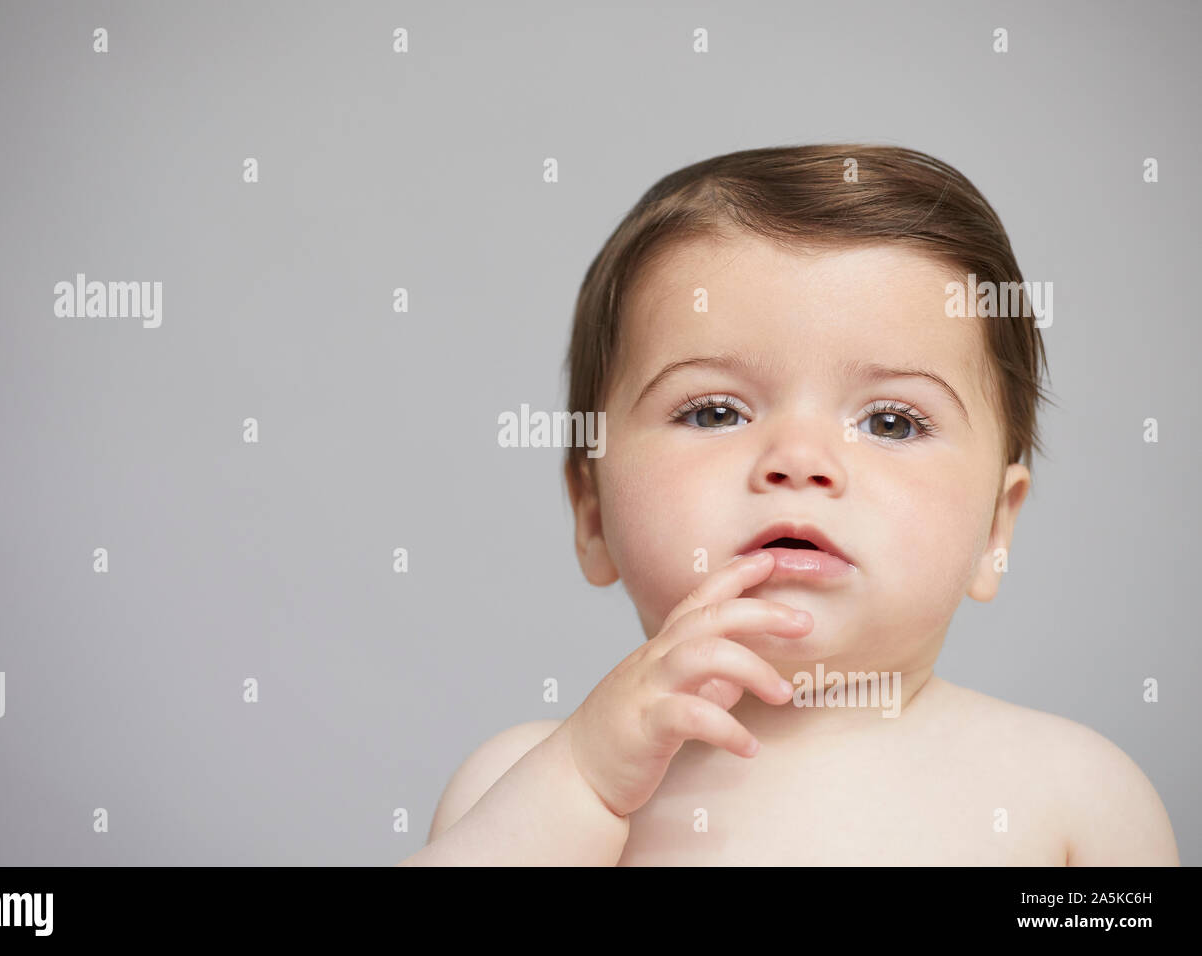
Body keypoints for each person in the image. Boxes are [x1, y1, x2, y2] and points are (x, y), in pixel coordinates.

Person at [399, 145, 1179, 866]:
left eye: (890, 422)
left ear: (995, 530)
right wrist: (582, 784)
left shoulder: (1075, 799)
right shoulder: (526, 786)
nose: (799, 462)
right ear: (592, 512)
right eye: (713, 412)